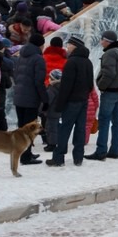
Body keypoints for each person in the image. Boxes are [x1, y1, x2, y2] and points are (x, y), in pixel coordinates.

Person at [47, 36, 94, 167]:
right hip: (83, 100)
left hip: (71, 102)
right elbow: (91, 85)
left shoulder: (71, 62)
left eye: (68, 45)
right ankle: (78, 157)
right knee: (80, 129)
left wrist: (60, 104)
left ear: (74, 46)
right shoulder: (88, 62)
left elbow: (66, 86)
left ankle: (58, 157)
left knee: (64, 129)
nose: (66, 48)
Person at [86, 30, 118, 161]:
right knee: (117, 120)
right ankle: (115, 150)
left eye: (102, 39)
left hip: (111, 91)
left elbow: (109, 73)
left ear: (107, 41)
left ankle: (101, 151)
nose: (100, 42)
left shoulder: (110, 53)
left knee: (104, 120)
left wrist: (101, 85)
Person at [13, 33, 49, 165]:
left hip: (19, 96)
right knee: (29, 129)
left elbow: (15, 75)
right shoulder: (38, 59)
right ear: (40, 45)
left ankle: (24, 153)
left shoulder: (21, 56)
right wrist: (45, 99)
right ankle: (26, 157)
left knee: (21, 127)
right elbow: (39, 82)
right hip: (31, 98)